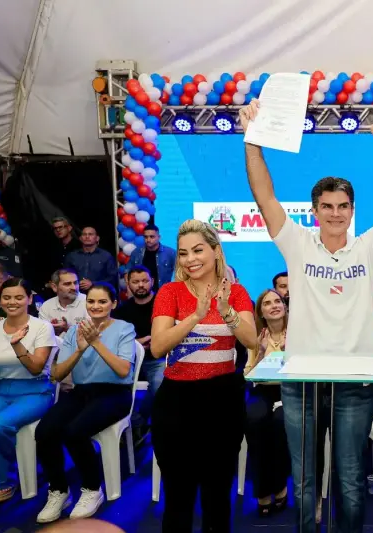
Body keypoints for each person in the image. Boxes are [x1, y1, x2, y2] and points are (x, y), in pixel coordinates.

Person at [239, 100, 373, 533]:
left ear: (352, 210)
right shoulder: (297, 244)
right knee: (304, 483)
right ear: (314, 210)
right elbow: (264, 196)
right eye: (327, 206)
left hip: (355, 382)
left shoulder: (369, 247)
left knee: (350, 481)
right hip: (301, 382)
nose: (336, 213)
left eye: (343, 206)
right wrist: (253, 141)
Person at [150, 220, 258, 532]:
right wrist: (195, 316)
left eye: (198, 250)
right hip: (176, 401)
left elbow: (251, 339)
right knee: (178, 496)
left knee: (217, 495)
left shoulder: (236, 293)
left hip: (222, 400)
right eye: (183, 253)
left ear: (215, 251)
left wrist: (225, 310)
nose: (190, 259)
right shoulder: (170, 292)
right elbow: (158, 346)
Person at [35, 283, 137, 523]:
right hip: (81, 392)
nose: (96, 306)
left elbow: (123, 371)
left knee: (74, 432)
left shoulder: (124, 328)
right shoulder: (74, 331)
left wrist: (96, 343)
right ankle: (59, 491)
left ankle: (92, 489)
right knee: (44, 431)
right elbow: (57, 374)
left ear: (113, 303)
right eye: (91, 301)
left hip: (115, 393)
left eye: (102, 301)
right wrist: (80, 350)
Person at [0, 278, 56, 502]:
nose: (12, 302)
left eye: (18, 297)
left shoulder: (42, 327)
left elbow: (36, 368)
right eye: (7, 297)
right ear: (0, 300)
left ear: (29, 299)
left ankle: (5, 479)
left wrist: (17, 345)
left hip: (35, 390)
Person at [242, 289, 290, 517]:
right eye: (267, 303)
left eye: (278, 301)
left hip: (290, 390)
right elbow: (248, 375)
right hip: (262, 390)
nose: (274, 305)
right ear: (260, 311)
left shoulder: (297, 335)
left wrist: (290, 352)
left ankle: (280, 486)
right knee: (255, 420)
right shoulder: (255, 337)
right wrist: (260, 352)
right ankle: (262, 491)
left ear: (285, 306)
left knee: (280, 423)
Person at [113, 266, 161, 446]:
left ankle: (140, 421)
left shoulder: (163, 305)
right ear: (128, 284)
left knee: (160, 384)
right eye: (135, 282)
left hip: (158, 358)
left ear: (152, 282)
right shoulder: (122, 311)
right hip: (130, 359)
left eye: (145, 281)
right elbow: (116, 340)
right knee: (113, 386)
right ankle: (134, 424)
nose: (141, 285)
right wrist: (137, 343)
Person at [64, 227, 117, 293]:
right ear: (80, 238)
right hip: (75, 294)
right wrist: (76, 283)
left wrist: (93, 284)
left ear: (97, 238)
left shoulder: (106, 256)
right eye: (84, 234)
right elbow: (64, 276)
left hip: (99, 293)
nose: (87, 237)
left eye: (90, 234)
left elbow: (113, 278)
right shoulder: (72, 256)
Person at [38, 269, 88, 337]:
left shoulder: (89, 302)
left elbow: (94, 336)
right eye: (67, 284)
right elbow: (41, 336)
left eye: (75, 283)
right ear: (54, 287)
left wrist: (68, 328)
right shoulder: (46, 306)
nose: (74, 288)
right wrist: (52, 332)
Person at [127, 224, 176, 290]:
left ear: (159, 237)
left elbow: (180, 272)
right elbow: (127, 271)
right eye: (145, 237)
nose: (148, 240)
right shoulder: (136, 253)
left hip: (164, 292)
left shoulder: (170, 253)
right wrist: (129, 289)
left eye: (152, 237)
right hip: (141, 292)